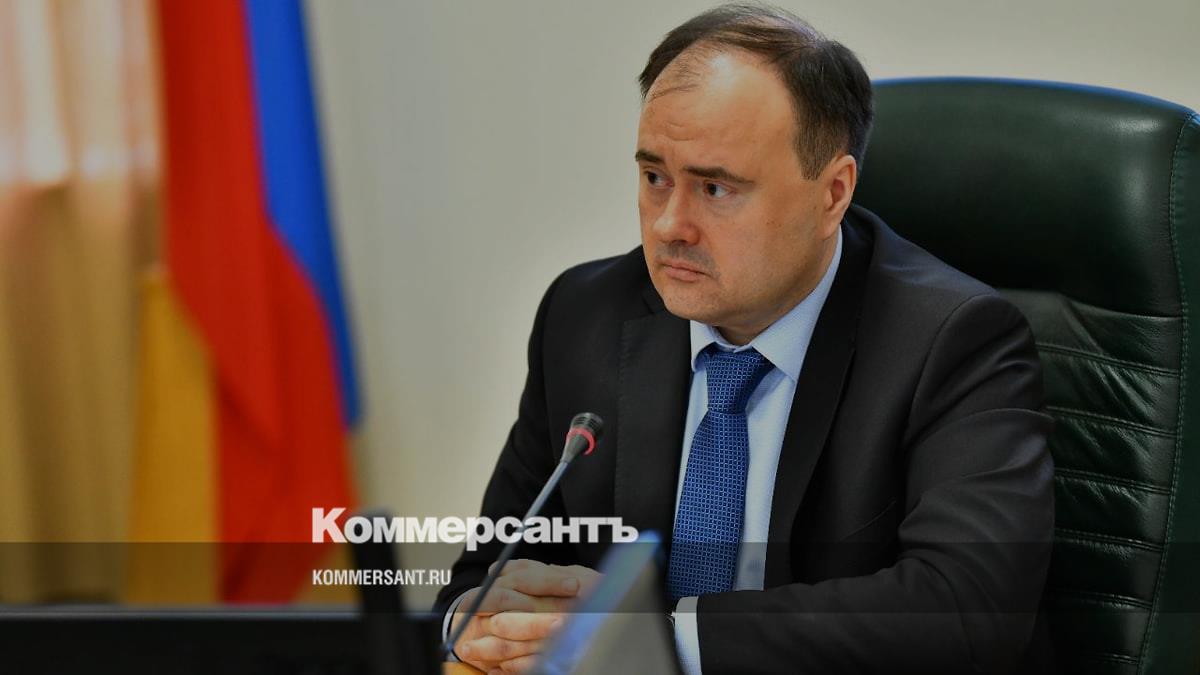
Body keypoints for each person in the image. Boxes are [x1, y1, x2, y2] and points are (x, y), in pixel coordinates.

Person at [437, 4, 1054, 674]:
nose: (670, 225)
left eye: (715, 188)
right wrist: (478, 622)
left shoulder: (953, 341)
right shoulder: (586, 314)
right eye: (654, 178)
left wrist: (661, 637)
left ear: (833, 193)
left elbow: (968, 609)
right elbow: (491, 567)